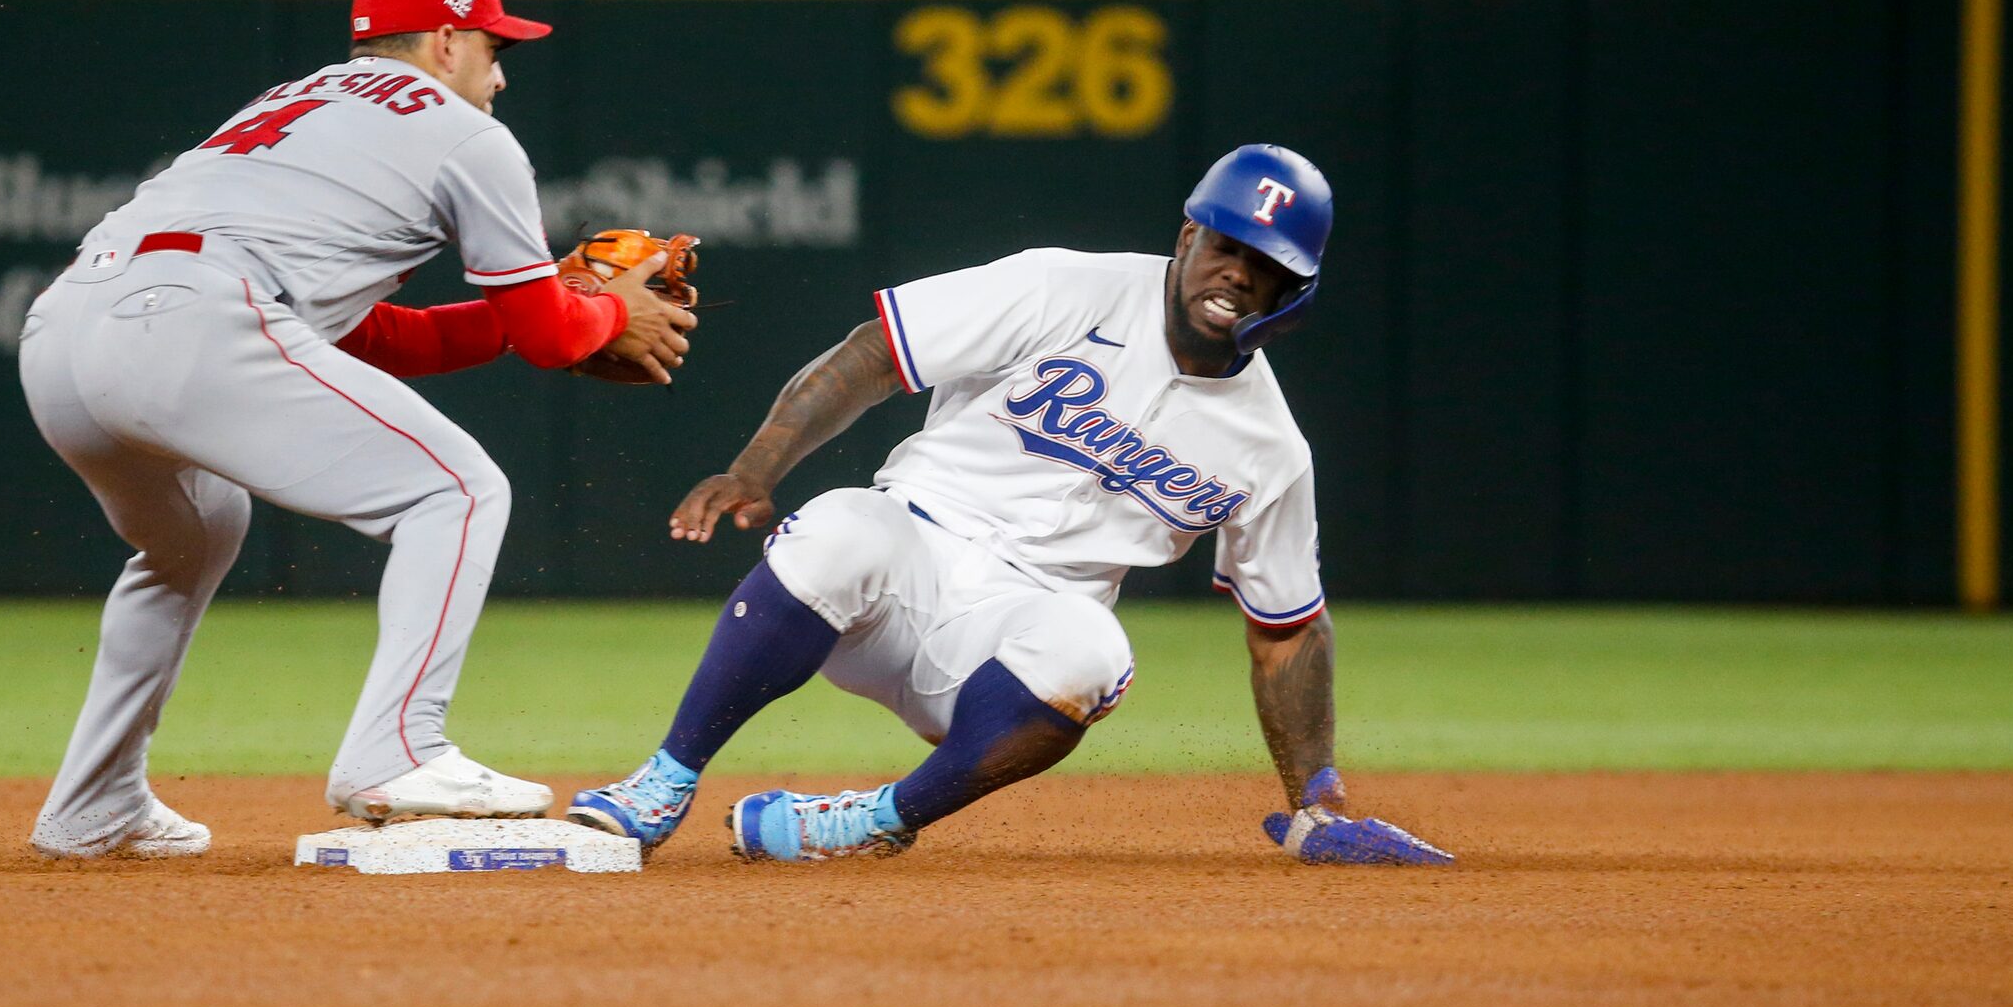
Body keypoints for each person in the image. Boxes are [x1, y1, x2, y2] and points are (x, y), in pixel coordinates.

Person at [569, 144, 1454, 867]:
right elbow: (874, 352)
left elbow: (1287, 628)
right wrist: (757, 466)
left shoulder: (1269, 446)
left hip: (1003, 645)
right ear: (1187, 236)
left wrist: (1316, 800)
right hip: (902, 558)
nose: (1236, 274)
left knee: (1093, 653)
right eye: (1225, 245)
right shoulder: (1066, 288)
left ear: (1292, 290)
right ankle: (664, 778)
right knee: (839, 527)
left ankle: (871, 819)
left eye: (1265, 266)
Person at [17, 0, 698, 860]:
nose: (499, 78)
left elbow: (378, 339)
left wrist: (569, 304)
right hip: (192, 322)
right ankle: (398, 748)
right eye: (495, 51)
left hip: (62, 331)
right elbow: (548, 338)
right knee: (456, 491)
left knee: (193, 533)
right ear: (448, 41)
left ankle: (93, 803)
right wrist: (607, 306)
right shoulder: (466, 134)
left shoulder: (294, 103)